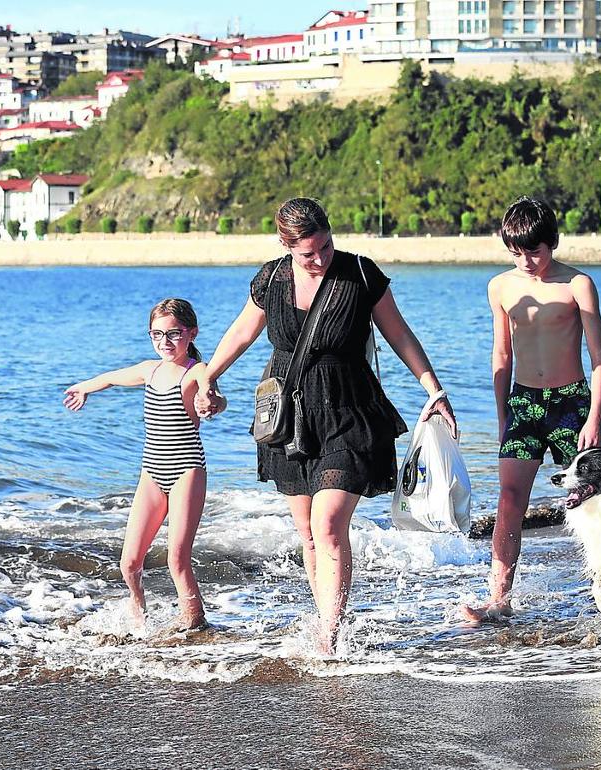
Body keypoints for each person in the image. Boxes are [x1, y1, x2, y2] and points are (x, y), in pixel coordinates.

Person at [195, 197, 456, 652]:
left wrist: (433, 390)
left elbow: (400, 333)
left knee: (329, 522)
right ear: (285, 246)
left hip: (349, 411)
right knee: (309, 533)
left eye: (326, 246)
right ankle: (327, 622)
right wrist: (209, 378)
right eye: (308, 253)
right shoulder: (271, 279)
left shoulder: (359, 274)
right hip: (287, 418)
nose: (319, 259)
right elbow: (241, 332)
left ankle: (330, 637)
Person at [462, 197, 601, 622]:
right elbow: (501, 355)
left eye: (535, 250)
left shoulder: (577, 285)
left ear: (553, 242)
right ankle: (499, 598)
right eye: (516, 252)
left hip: (571, 404)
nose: (526, 260)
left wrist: (595, 416)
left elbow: (600, 359)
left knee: (595, 499)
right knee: (509, 500)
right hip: (524, 402)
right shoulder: (501, 287)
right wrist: (502, 414)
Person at [63, 298, 224, 631]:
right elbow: (110, 377)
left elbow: (214, 395)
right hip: (152, 471)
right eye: (156, 335)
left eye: (173, 334)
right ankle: (139, 613)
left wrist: (210, 403)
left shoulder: (197, 370)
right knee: (129, 563)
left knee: (176, 559)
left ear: (191, 333)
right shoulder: (149, 369)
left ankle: (195, 624)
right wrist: (84, 388)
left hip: (186, 469)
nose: (165, 342)